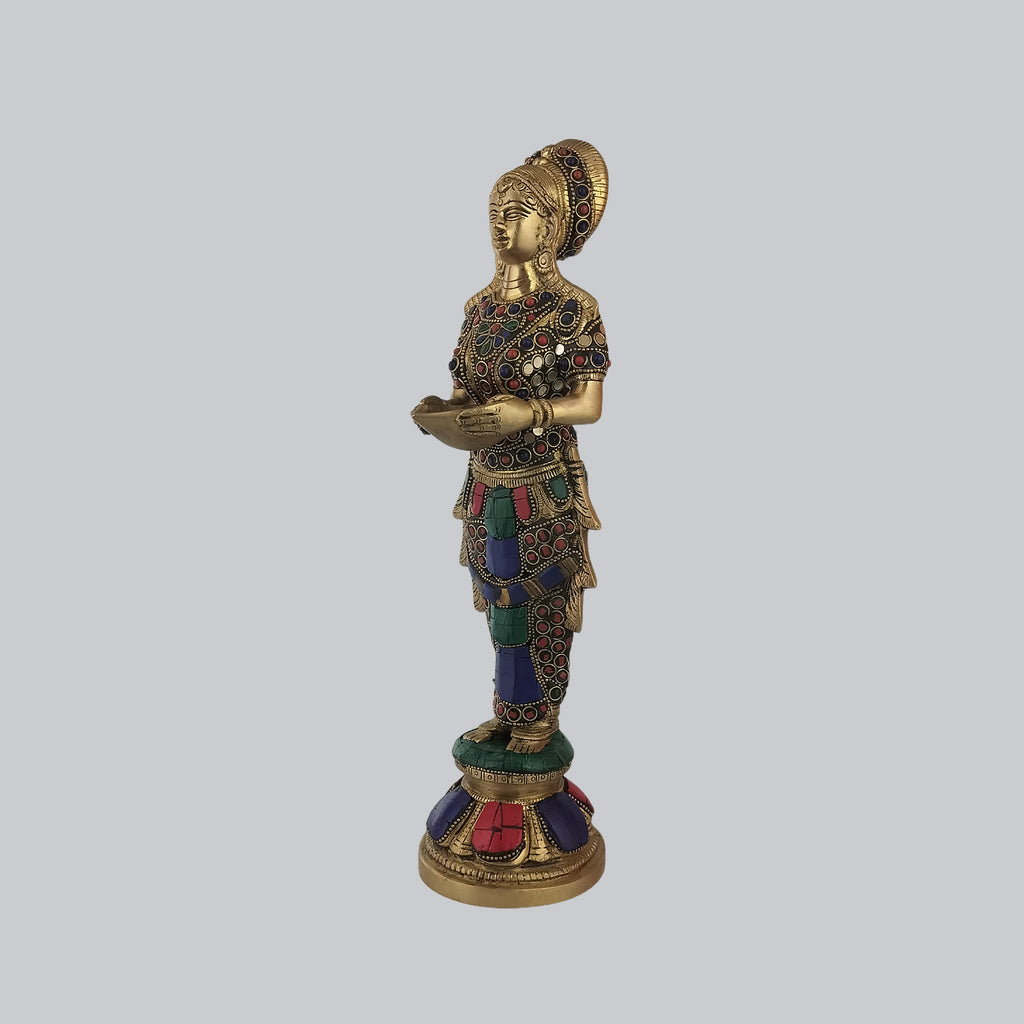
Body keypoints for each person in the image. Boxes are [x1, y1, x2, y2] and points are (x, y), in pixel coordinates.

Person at [412, 140, 610, 753]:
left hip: (544, 485)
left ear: (548, 226)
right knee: (499, 600)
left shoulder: (574, 310)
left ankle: (540, 717)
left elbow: (590, 404)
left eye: (518, 211)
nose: (502, 222)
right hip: (485, 482)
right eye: (495, 210)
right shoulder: (479, 310)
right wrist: (443, 416)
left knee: (541, 596)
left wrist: (533, 412)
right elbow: (463, 391)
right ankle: (508, 709)